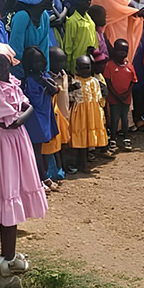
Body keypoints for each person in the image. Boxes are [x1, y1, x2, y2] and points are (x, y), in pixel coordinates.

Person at [0, 43, 47, 288]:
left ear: (10, 65)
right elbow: (11, 123)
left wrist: (24, 113)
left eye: (1, 63)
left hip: (16, 146)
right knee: (8, 198)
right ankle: (6, 260)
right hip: (2, 149)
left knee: (13, 196)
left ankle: (11, 255)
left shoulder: (12, 83)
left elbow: (23, 110)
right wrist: (27, 113)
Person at [21, 46, 60, 192]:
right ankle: (40, 178)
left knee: (42, 148)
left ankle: (44, 176)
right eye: (35, 62)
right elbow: (32, 100)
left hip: (44, 115)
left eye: (40, 61)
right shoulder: (29, 82)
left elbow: (54, 91)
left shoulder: (45, 77)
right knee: (36, 149)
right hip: (34, 118)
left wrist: (50, 85)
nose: (38, 65)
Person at [69, 55, 109, 172]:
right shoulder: (74, 81)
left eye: (87, 67)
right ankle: (82, 165)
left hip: (93, 114)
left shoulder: (95, 81)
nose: (85, 70)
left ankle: (86, 162)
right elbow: (70, 98)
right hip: (80, 115)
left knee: (89, 139)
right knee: (81, 139)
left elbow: (99, 97)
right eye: (82, 68)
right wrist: (71, 88)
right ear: (77, 69)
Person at [9, 0, 54, 78]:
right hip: (22, 71)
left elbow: (44, 47)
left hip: (36, 70)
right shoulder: (22, 16)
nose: (52, 0)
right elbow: (16, 49)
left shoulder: (44, 16)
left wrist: (45, 73)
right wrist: (23, 76)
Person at [42, 47, 72, 175]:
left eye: (63, 61)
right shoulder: (48, 79)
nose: (61, 65)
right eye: (58, 62)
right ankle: (55, 169)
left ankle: (64, 166)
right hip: (54, 116)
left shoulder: (65, 75)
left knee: (64, 143)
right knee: (55, 145)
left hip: (65, 114)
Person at [104, 39, 137, 154]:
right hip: (114, 98)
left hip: (126, 98)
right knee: (114, 119)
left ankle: (126, 138)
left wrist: (126, 94)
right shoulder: (110, 65)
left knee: (125, 118)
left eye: (125, 51)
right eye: (119, 50)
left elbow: (133, 81)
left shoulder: (129, 65)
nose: (122, 53)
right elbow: (108, 81)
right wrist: (117, 95)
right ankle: (113, 139)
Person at [64, 0, 97, 73]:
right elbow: (68, 45)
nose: (88, 3)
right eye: (84, 0)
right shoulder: (72, 21)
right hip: (78, 64)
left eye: (89, 0)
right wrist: (68, 67)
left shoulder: (89, 19)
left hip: (90, 61)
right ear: (77, 1)